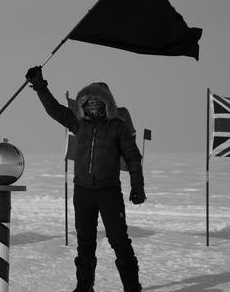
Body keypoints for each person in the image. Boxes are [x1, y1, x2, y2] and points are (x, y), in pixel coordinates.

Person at [25, 66, 146, 292]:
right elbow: (54, 109)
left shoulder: (118, 126)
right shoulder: (77, 122)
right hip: (82, 192)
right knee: (85, 243)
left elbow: (133, 157)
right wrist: (40, 86)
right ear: (83, 104)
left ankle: (132, 287)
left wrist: (137, 186)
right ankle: (84, 287)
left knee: (119, 241)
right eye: (89, 101)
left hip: (108, 191)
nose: (93, 105)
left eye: (98, 102)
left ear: (107, 104)